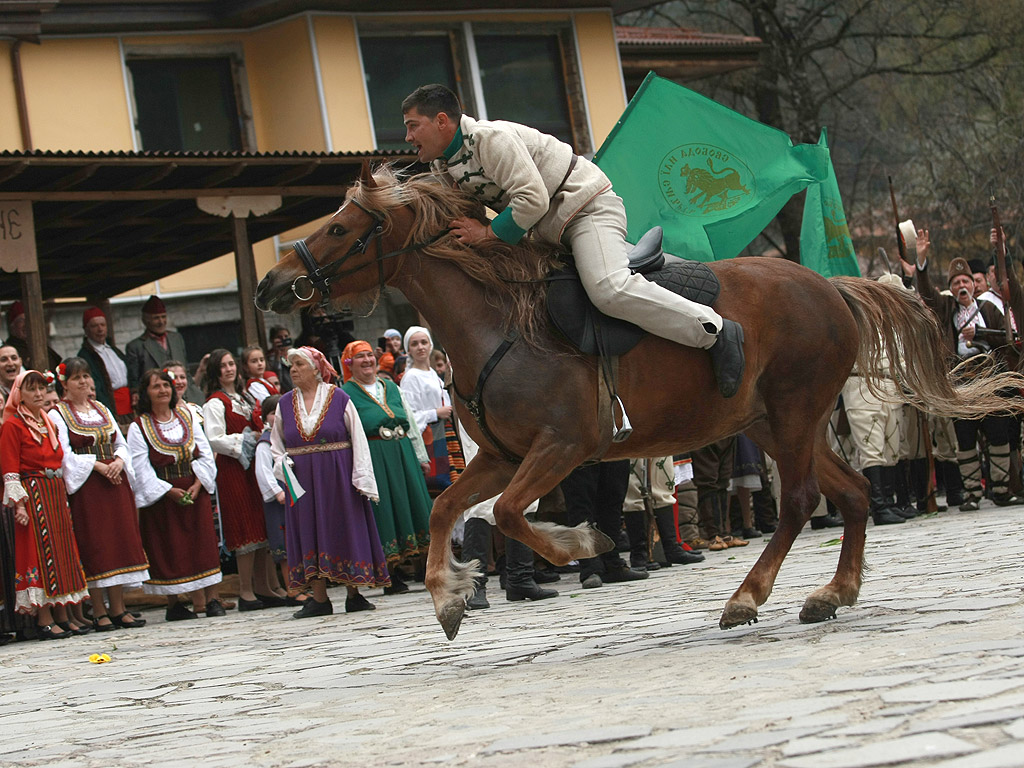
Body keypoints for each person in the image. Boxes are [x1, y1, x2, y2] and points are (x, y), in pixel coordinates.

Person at [401, 83, 745, 398]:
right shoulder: (443, 167)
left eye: (413, 125)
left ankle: (714, 330)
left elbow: (532, 199)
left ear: (442, 121)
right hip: (547, 233)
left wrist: (489, 234)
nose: (408, 136)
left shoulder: (490, 138)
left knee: (608, 289)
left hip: (586, 211)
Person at [270, 346, 390, 617]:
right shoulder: (284, 404)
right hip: (302, 480)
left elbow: (358, 438)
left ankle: (353, 594)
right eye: (292, 366)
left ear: (315, 369)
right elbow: (276, 445)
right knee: (308, 530)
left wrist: (361, 477)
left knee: (342, 526)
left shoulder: (339, 398)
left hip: (338, 477)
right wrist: (284, 469)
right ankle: (319, 598)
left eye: (299, 364)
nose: (294, 370)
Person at [911, 235, 1012, 509]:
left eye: (965, 281)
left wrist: (980, 334)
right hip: (961, 382)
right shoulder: (945, 309)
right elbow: (927, 294)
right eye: (956, 283)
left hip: (989, 380)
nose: (962, 286)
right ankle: (971, 494)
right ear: (952, 290)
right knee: (965, 440)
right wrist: (921, 261)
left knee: (998, 435)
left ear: (973, 284)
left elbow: (1007, 338)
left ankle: (1001, 489)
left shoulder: (989, 308)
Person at [51, 358, 150, 630]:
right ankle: (98, 609)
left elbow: (119, 440)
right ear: (65, 384)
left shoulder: (102, 409)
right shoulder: (58, 414)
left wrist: (118, 460)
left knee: (118, 541)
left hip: (114, 482)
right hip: (89, 487)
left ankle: (118, 607)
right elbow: (63, 453)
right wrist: (95, 465)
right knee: (96, 542)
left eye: (86, 376)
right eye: (77, 378)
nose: (84, 381)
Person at [128, 369, 222, 620]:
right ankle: (174, 604)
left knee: (203, 544)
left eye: (166, 385)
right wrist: (168, 491)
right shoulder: (140, 426)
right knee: (169, 547)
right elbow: (140, 467)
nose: (163, 390)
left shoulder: (186, 416)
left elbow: (203, 451)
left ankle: (212, 599)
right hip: (163, 496)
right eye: (156, 386)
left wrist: (199, 484)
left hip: (193, 489)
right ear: (146, 393)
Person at [1, 370, 89, 639]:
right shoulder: (14, 425)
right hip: (33, 492)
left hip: (53, 491)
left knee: (60, 550)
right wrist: (19, 505)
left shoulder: (47, 422)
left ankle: (62, 612)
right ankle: (44, 618)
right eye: (32, 389)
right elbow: (10, 468)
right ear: (19, 395)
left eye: (42, 388)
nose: (39, 394)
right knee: (39, 552)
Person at [341, 340, 432, 594]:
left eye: (370, 355)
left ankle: (425, 567)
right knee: (385, 510)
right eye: (360, 357)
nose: (367, 360)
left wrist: (420, 455)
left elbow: (410, 420)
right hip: (375, 456)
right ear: (349, 363)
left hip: (402, 452)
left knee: (414, 504)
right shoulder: (346, 393)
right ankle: (390, 573)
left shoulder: (390, 386)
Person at [202, 349, 284, 611]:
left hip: (253, 469)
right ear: (215, 371)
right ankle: (245, 592)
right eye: (223, 366)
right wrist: (245, 440)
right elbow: (214, 437)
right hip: (233, 469)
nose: (229, 369)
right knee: (244, 529)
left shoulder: (245, 396)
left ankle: (265, 587)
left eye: (231, 364)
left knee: (261, 528)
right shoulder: (215, 403)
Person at [254, 394, 302, 606]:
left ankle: (302, 585)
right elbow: (263, 471)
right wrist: (277, 492)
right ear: (265, 417)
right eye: (274, 413)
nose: (278, 417)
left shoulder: (289, 438)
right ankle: (292, 589)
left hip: (295, 497)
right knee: (284, 548)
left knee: (296, 544)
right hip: (279, 501)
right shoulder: (265, 443)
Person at [399, 326, 454, 492]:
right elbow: (410, 416)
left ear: (430, 345)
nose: (420, 347)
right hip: (431, 433)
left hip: (445, 431)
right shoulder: (410, 377)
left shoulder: (432, 373)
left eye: (424, 342)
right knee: (440, 483)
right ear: (408, 349)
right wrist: (436, 413)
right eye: (415, 344)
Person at [77, 307, 133, 427]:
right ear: (86, 330)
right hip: (111, 408)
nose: (100, 329)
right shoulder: (86, 356)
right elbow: (96, 387)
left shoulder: (114, 350)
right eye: (94, 326)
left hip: (129, 407)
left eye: (102, 325)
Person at [124, 295, 189, 395]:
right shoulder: (136, 347)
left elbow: (186, 369)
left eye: (163, 317)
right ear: (145, 320)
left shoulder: (176, 338)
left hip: (184, 395)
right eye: (156, 318)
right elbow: (134, 381)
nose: (161, 322)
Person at [266, 325, 294, 393]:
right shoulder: (269, 357)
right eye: (279, 337)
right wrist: (277, 354)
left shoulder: (294, 353)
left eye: (286, 336)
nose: (283, 339)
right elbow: (277, 376)